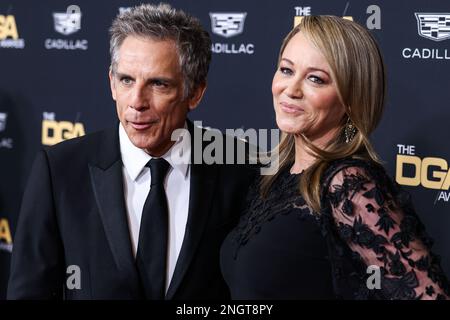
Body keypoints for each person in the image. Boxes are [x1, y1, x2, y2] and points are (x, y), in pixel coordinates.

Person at [7, 3, 255, 299]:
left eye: (158, 84)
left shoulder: (240, 167)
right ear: (112, 83)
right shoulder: (59, 170)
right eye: (126, 80)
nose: (137, 101)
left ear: (195, 92)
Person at [220, 15, 450, 300]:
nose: (290, 90)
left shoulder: (347, 184)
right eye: (286, 70)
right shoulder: (276, 177)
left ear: (351, 100)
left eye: (316, 79)